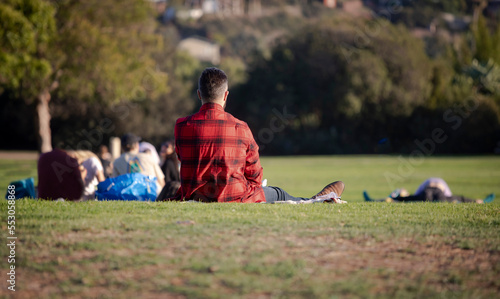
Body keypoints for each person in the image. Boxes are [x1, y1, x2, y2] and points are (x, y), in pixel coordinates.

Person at [172, 67, 345, 203]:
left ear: (199, 94)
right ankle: (316, 200)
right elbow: (254, 175)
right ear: (226, 95)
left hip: (195, 197)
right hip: (237, 196)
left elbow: (184, 162)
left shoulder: (181, 126)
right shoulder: (241, 127)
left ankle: (319, 198)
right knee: (278, 193)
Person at [363, 177, 495, 203]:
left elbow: (413, 195)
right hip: (439, 193)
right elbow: (455, 197)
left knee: (404, 199)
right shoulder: (442, 184)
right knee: (456, 199)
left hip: (425, 192)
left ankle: (377, 200)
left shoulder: (425, 184)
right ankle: (481, 201)